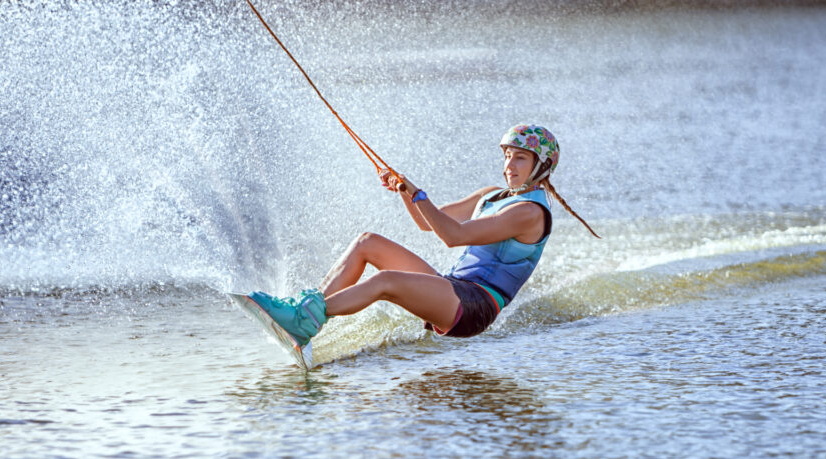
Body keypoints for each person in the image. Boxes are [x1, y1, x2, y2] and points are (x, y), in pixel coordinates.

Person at [248, 124, 600, 346]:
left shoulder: (528, 212)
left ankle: (306, 319)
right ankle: (306, 313)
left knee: (386, 281)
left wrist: (419, 193)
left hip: (474, 306)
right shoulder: (492, 194)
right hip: (451, 288)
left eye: (520, 158)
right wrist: (404, 189)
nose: (509, 165)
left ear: (541, 166)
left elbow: (453, 236)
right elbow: (429, 222)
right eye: (508, 156)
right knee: (368, 242)